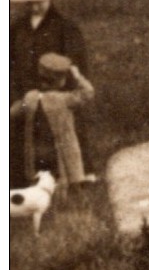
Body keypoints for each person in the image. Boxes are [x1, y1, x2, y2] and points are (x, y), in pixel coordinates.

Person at [10, 0, 95, 189]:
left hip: (57, 96)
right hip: (27, 96)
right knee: (27, 139)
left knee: (61, 139)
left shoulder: (65, 28)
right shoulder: (16, 29)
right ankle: (27, 180)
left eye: (41, 0)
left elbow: (75, 64)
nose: (36, 6)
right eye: (31, 2)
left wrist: (62, 87)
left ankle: (71, 180)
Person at [9, 52, 95, 189]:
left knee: (39, 184)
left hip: (36, 152)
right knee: (61, 181)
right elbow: (88, 92)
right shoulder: (65, 100)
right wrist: (77, 75)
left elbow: (13, 112)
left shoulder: (29, 98)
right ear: (61, 80)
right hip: (59, 153)